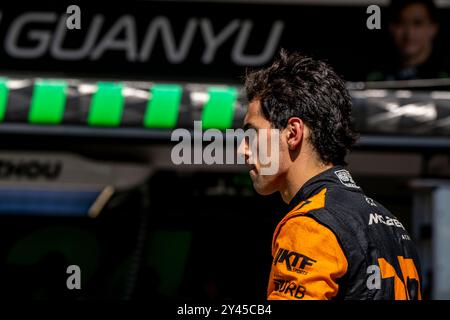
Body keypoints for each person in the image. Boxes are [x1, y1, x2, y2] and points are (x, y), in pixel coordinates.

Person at [239, 50, 422, 300]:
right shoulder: (392, 224)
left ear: (292, 133)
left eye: (252, 134)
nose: (243, 149)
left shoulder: (310, 225)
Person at [367, 0, 449, 81]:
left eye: (417, 23)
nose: (409, 33)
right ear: (391, 27)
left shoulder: (445, 78)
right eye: (401, 23)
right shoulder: (376, 78)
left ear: (433, 28)